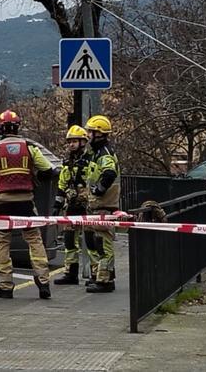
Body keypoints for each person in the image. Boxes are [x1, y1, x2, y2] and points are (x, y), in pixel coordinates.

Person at [0, 109, 56, 299]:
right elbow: (49, 171)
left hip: (2, 203)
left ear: (1, 128)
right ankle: (43, 282)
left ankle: (5, 286)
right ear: (17, 127)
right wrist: (35, 177)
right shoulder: (30, 148)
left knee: (2, 242)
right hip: (26, 204)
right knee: (35, 240)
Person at [83, 114, 121, 293]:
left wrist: (99, 190)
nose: (88, 135)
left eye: (90, 131)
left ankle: (105, 281)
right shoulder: (97, 153)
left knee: (103, 243)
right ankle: (102, 275)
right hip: (98, 206)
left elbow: (109, 173)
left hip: (105, 206)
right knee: (95, 241)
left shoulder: (104, 153)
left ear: (99, 133)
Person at [54, 125, 90, 286]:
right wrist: (57, 204)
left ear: (83, 142)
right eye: (70, 142)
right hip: (72, 205)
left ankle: (96, 273)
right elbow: (62, 184)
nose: (72, 145)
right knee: (69, 240)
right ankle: (71, 273)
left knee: (91, 240)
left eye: (75, 141)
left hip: (87, 206)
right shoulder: (67, 162)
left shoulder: (91, 160)